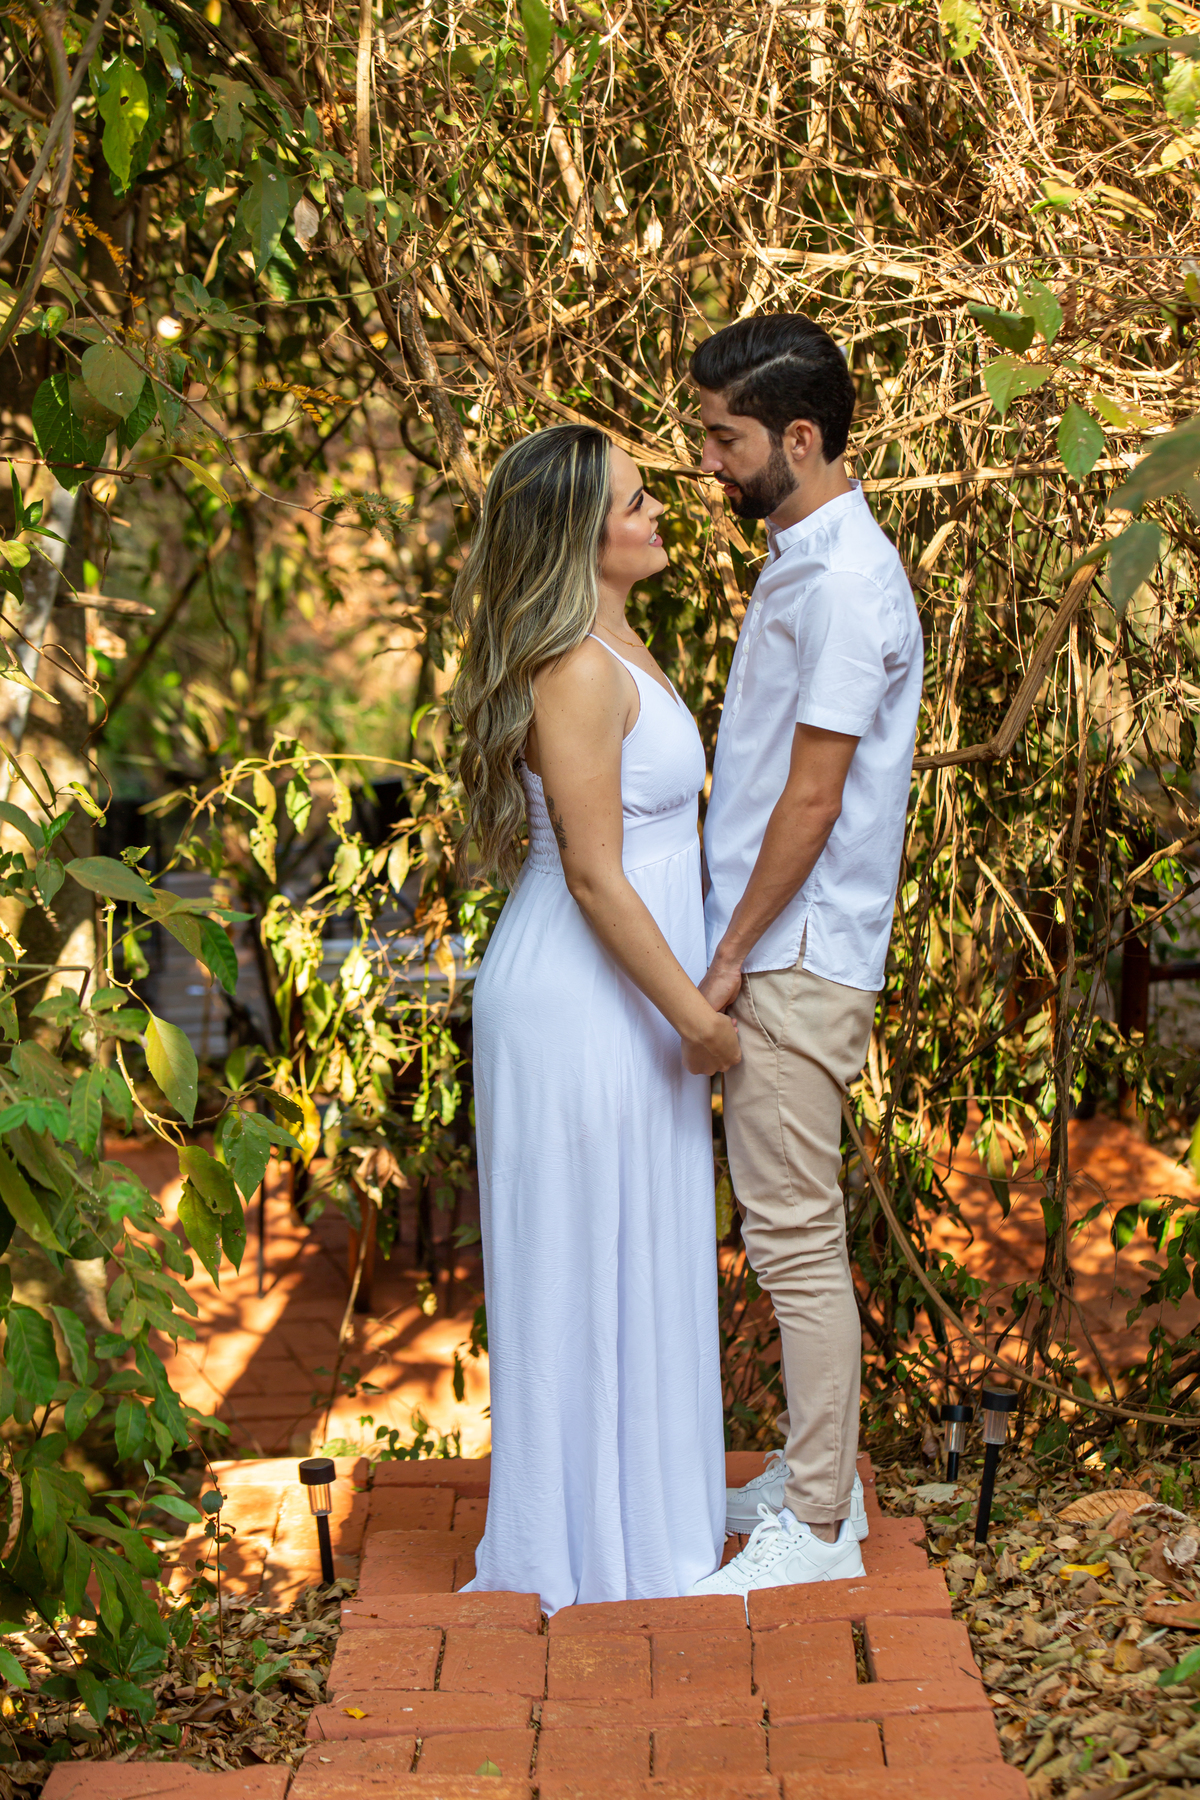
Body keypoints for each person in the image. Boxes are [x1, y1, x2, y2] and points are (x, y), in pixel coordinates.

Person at [451, 424, 739, 1616]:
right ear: (580, 535)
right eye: (633, 502)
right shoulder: (573, 667)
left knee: (642, 1250)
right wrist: (699, 1020)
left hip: (635, 991)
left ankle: (647, 1523)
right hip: (583, 1000)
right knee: (586, 1261)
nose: (657, 512)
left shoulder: (621, 641)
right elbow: (592, 873)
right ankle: (586, 1546)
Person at [686, 315, 924, 1597]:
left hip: (791, 954)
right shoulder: (808, 561)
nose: (707, 461)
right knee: (792, 1235)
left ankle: (822, 1524)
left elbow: (815, 799)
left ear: (798, 435)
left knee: (792, 1243)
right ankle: (813, 1477)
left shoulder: (839, 584)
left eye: (723, 438)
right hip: (785, 946)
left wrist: (728, 956)